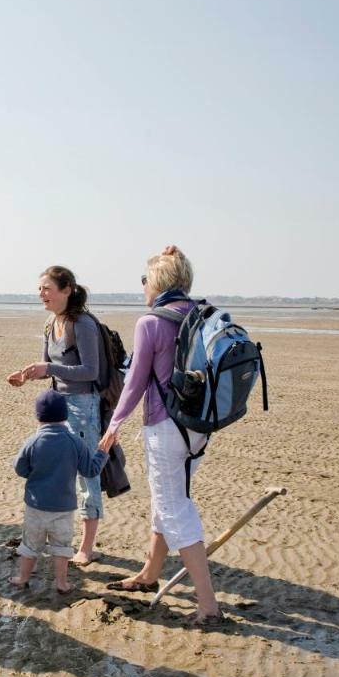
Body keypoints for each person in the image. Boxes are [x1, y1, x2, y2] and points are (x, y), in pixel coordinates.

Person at [98, 245, 223, 625]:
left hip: (166, 427)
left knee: (174, 509)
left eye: (144, 279)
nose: (142, 286)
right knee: (167, 499)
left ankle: (208, 606)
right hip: (199, 426)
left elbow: (134, 383)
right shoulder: (202, 314)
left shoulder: (150, 322)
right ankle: (150, 574)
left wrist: (115, 424)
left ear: (156, 282)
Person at [7, 266, 105, 566]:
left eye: (47, 288)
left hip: (84, 406)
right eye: (40, 289)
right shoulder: (51, 323)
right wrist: (27, 375)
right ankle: (62, 537)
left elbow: (91, 371)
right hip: (59, 406)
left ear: (67, 290)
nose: (41, 294)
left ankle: (87, 546)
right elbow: (46, 364)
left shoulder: (83, 324)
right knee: (60, 470)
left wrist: (49, 369)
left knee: (87, 473)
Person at [11, 390, 108, 593]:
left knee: (30, 545)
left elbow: (20, 468)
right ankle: (61, 583)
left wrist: (35, 473)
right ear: (65, 416)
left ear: (38, 417)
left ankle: (23, 577)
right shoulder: (75, 442)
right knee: (62, 547)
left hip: (35, 506)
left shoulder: (32, 441)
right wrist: (102, 452)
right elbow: (90, 470)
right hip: (63, 508)